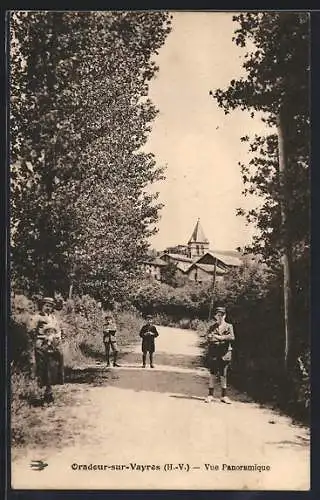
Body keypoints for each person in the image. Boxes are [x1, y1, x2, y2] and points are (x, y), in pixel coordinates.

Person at [31, 297, 64, 404]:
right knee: (43, 367)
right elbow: (31, 330)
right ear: (42, 306)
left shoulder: (53, 317)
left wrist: (57, 337)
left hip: (53, 344)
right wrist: (40, 337)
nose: (48, 308)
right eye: (46, 305)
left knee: (54, 365)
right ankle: (46, 391)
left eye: (50, 306)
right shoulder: (37, 317)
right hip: (42, 344)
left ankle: (50, 389)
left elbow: (58, 329)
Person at [205, 306, 235, 404]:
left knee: (223, 375)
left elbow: (232, 337)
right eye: (218, 315)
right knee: (213, 374)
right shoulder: (212, 327)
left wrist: (219, 337)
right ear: (215, 316)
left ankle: (224, 396)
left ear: (225, 315)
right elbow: (209, 338)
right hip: (214, 353)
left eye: (222, 315)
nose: (220, 317)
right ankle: (210, 395)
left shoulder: (229, 326)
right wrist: (220, 338)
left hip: (225, 354)